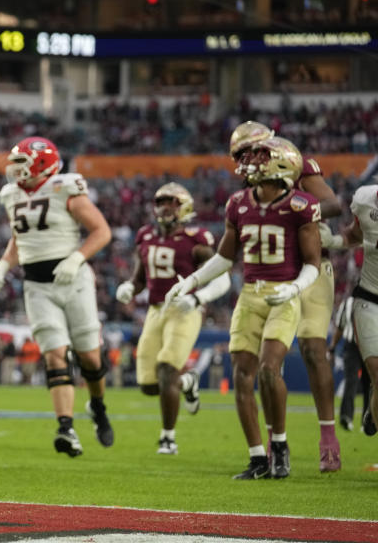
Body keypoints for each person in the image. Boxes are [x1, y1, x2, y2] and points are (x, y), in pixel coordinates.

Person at [167, 136, 321, 479]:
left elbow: (312, 262)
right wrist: (190, 282)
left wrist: (294, 287)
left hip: (284, 294)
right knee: (241, 376)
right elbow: (224, 257)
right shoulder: (238, 203)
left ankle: (279, 445)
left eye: (261, 157)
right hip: (250, 295)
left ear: (282, 163)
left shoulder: (300, 206)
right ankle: (256, 457)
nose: (251, 163)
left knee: (269, 370)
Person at [0, 136, 113, 457]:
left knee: (89, 357)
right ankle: (66, 428)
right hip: (37, 285)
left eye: (21, 163)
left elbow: (101, 231)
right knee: (55, 355)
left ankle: (97, 405)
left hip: (74, 282)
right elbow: (21, 238)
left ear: (42, 163)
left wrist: (76, 258)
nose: (14, 170)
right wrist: (4, 263)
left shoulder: (64, 188)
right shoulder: (12, 195)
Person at [229, 121, 343, 472]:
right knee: (264, 365)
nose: (246, 161)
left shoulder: (295, 165)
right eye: (240, 155)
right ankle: (275, 444)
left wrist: (299, 215)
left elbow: (333, 203)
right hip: (267, 280)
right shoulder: (249, 186)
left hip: (308, 269)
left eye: (250, 152)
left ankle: (328, 437)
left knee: (312, 347)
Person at [116, 182, 231, 455]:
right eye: (161, 202)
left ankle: (168, 438)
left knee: (167, 367)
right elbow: (140, 278)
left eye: (172, 202)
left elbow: (222, 276)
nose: (165, 208)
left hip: (185, 311)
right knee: (147, 385)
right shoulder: (145, 236)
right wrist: (130, 288)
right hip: (155, 311)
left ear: (185, 207)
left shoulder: (196, 238)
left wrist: (196, 298)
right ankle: (187, 383)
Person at [319, 183, 378, 436]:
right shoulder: (365, 201)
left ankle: (372, 408)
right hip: (370, 297)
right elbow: (355, 235)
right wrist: (332, 240)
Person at [329, 294, 371, 431]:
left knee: (369, 384)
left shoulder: (373, 302)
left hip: (370, 345)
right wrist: (333, 346)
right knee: (351, 381)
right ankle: (346, 417)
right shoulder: (347, 303)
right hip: (352, 346)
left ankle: (368, 420)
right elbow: (340, 328)